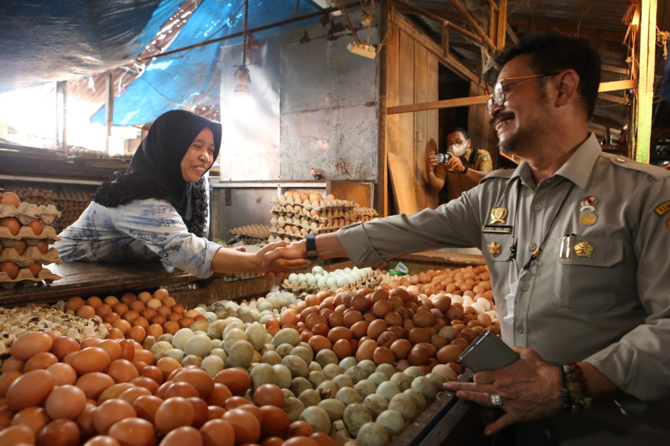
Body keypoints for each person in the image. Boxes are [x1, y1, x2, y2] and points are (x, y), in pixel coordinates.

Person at [262, 31, 670, 445]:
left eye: (504, 90)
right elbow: (407, 228)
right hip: (516, 421)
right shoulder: (495, 194)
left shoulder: (647, 194)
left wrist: (570, 383)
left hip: (609, 428)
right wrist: (311, 246)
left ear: (563, 88)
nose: (493, 107)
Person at [55, 110, 309, 278]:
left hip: (121, 270)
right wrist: (257, 262)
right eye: (196, 146)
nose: (205, 157)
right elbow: (183, 249)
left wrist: (241, 256)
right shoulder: (136, 196)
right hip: (67, 272)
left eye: (211, 149)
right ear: (170, 147)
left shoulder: (192, 184)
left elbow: (194, 240)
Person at [426, 127, 493, 202]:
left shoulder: (480, 155)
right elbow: (437, 187)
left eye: (458, 142)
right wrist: (430, 171)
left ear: (468, 143)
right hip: (456, 208)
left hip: (477, 206)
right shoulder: (445, 160)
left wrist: (463, 169)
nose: (454, 146)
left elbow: (486, 178)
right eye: (450, 143)